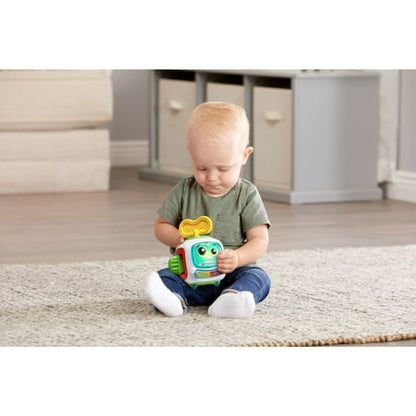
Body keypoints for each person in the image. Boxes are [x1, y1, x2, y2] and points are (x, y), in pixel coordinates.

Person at [145, 101, 271, 318]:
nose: (212, 177)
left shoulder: (247, 194)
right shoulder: (184, 190)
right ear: (191, 154)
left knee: (258, 277)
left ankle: (232, 298)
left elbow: (260, 240)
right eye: (201, 167)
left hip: (232, 273)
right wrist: (178, 238)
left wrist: (237, 257)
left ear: (244, 156)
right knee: (164, 276)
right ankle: (174, 299)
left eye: (223, 169)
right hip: (190, 275)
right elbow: (161, 226)